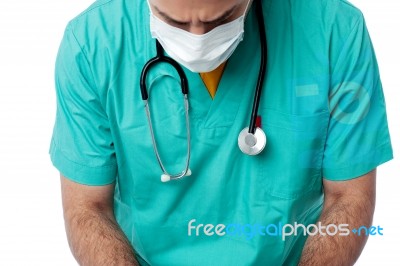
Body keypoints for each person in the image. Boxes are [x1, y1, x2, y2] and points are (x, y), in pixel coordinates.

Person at [50, 0, 393, 264]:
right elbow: (87, 208)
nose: (197, 40)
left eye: (222, 18)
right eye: (174, 22)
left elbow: (348, 196)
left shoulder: (335, 31)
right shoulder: (93, 44)